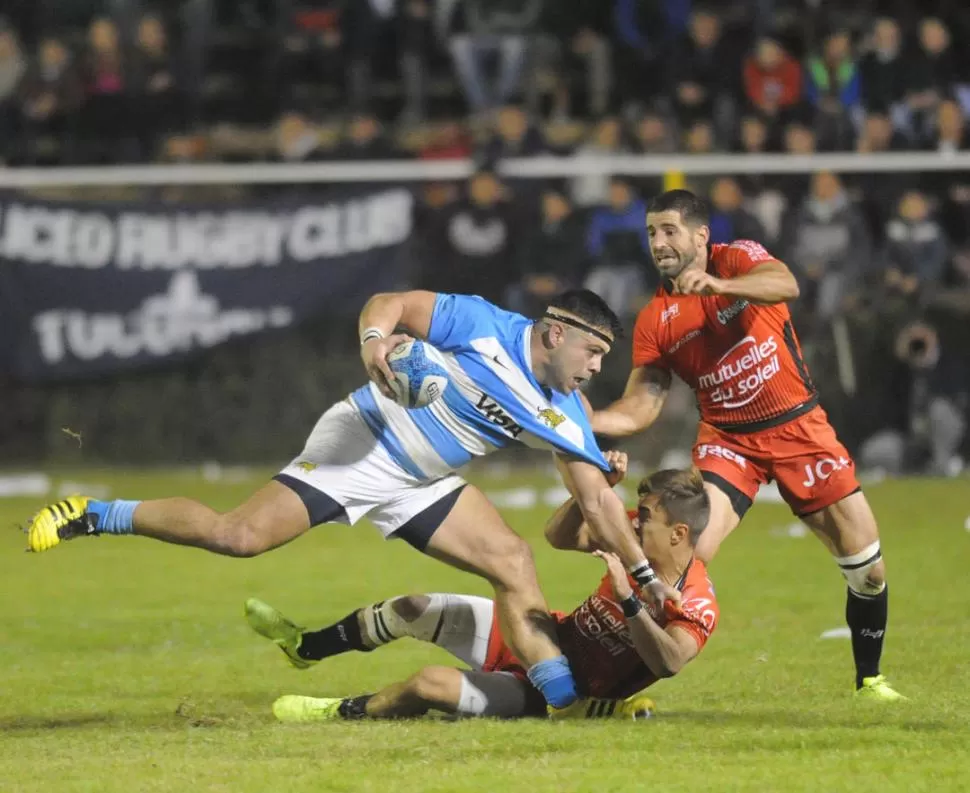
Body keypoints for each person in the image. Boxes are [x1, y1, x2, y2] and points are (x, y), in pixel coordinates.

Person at [25, 289, 680, 712]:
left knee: (512, 561)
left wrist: (643, 574)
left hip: (424, 479)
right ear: (554, 333)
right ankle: (94, 512)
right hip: (363, 444)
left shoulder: (564, 414)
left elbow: (595, 503)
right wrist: (374, 342)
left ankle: (561, 707)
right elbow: (390, 301)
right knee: (238, 536)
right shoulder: (480, 324)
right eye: (593, 352)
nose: (596, 368)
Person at [591, 189, 905, 701]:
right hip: (728, 443)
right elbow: (644, 400)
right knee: (683, 550)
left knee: (868, 571)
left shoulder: (740, 259)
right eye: (652, 232)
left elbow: (786, 283)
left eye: (669, 230)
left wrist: (717, 284)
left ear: (700, 235)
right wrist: (595, 419)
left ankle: (869, 679)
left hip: (799, 428)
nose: (659, 242)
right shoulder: (655, 319)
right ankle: (615, 681)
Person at [244, 463, 718, 722]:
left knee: (427, 684)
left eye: (646, 518)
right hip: (541, 638)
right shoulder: (634, 550)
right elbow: (558, 536)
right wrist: (588, 496)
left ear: (678, 534)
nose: (633, 522)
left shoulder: (697, 600)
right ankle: (306, 647)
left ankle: (338, 713)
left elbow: (669, 663)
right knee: (413, 607)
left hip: (552, 695)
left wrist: (630, 601)